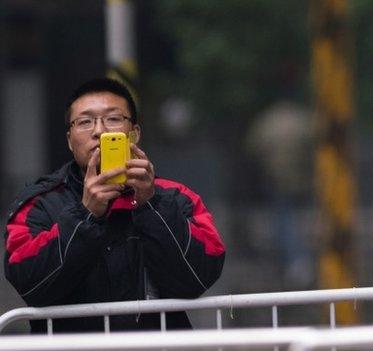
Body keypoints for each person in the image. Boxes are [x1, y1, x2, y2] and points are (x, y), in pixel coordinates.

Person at [3, 78, 225, 333]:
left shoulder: (175, 197)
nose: (99, 131)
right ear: (69, 139)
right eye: (85, 122)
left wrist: (150, 203)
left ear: (135, 133)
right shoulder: (39, 203)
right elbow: (30, 285)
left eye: (113, 119)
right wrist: (85, 215)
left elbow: (198, 277)